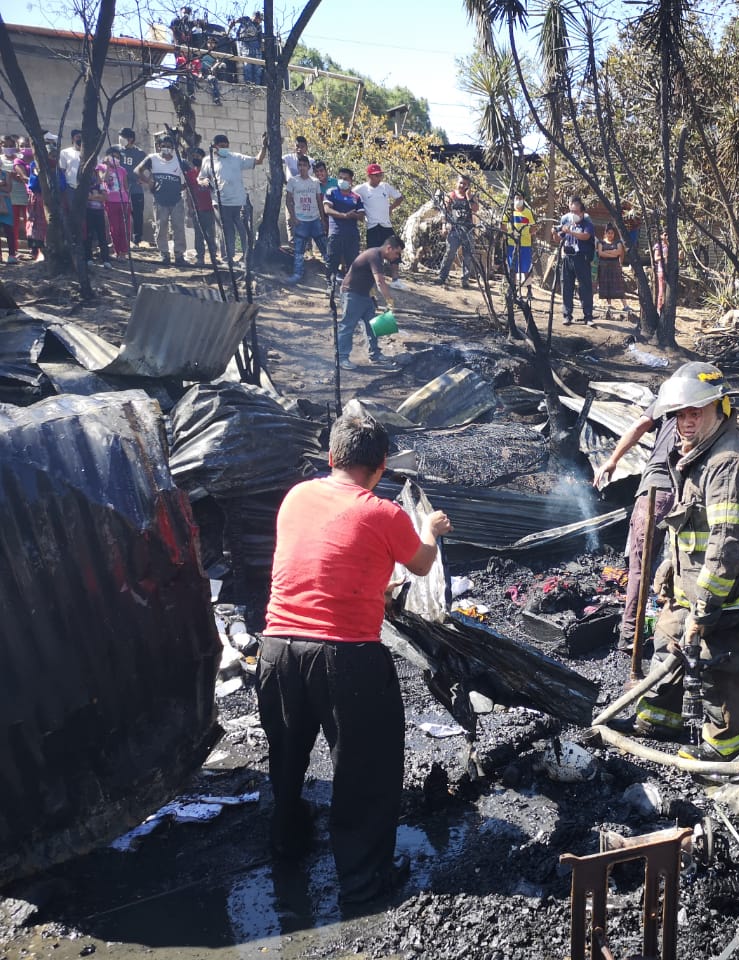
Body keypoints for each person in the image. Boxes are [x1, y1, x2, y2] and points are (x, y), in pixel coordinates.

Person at [258, 414, 452, 904]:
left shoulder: (296, 497)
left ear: (331, 458)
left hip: (277, 646)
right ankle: (364, 883)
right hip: (345, 657)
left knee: (285, 756)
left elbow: (323, 562)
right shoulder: (383, 513)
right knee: (365, 769)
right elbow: (423, 565)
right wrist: (430, 528)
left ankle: (286, 844)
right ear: (381, 466)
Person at [624, 362, 739, 762]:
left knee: (715, 663)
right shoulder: (696, 452)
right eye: (680, 415)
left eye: (695, 413)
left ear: (720, 408)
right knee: (668, 639)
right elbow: (691, 521)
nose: (686, 423)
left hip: (725, 590)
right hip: (691, 581)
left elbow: (729, 542)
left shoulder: (728, 461)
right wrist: (669, 568)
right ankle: (659, 718)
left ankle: (726, 747)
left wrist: (706, 604)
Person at [593, 404, 681, 655]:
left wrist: (612, 460)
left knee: (640, 569)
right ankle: (671, 631)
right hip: (682, 493)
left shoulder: (668, 396)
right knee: (679, 566)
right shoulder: (707, 404)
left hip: (656, 493)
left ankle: (631, 634)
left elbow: (639, 426)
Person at [199, 132, 267, 266]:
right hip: (221, 203)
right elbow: (200, 178)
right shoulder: (208, 161)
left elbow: (257, 160)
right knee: (226, 233)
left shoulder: (236, 158)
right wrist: (204, 181)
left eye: (226, 145)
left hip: (240, 203)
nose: (225, 148)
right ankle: (228, 260)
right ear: (215, 147)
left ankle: (248, 259)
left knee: (245, 232)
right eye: (221, 146)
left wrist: (264, 147)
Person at [338, 234, 402, 370]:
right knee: (347, 326)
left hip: (365, 295)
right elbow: (379, 281)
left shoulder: (378, 257)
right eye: (397, 253)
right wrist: (389, 301)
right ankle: (342, 358)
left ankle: (375, 354)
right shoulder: (374, 255)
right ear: (389, 248)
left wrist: (372, 295)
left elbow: (368, 277)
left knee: (373, 325)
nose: (397, 257)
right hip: (352, 293)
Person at [135, 135, 187, 267]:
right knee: (161, 227)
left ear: (174, 148)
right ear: (159, 146)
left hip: (176, 199)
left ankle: (179, 255)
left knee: (179, 228)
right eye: (164, 146)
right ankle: (164, 254)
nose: (166, 149)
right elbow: (138, 170)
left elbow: (192, 176)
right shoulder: (152, 159)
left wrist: (182, 187)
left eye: (169, 146)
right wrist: (149, 181)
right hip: (159, 199)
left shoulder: (180, 160)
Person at [285, 154, 324, 283]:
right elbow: (288, 200)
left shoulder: (315, 182)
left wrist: (322, 219)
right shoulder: (293, 181)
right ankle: (297, 274)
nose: (302, 168)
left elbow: (319, 201)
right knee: (299, 250)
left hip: (314, 220)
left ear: (309, 167)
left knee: (324, 248)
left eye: (304, 165)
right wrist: (293, 217)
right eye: (299, 165)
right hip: (301, 221)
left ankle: (332, 273)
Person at [558, 195, 596, 326]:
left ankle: (588, 316)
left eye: (575, 212)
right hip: (568, 257)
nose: (573, 214)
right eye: (571, 211)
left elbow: (586, 236)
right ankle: (567, 315)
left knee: (585, 287)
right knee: (566, 287)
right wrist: (555, 232)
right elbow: (559, 238)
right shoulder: (566, 222)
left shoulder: (587, 224)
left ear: (582, 212)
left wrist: (571, 232)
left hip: (582, 258)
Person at [436, 174, 478, 288]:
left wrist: (469, 198)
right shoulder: (451, 195)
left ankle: (465, 280)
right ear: (457, 182)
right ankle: (442, 276)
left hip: (468, 230)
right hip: (454, 229)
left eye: (465, 184)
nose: (462, 185)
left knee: (468, 256)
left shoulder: (472, 197)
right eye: (461, 183)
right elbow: (444, 212)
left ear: (468, 186)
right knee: (450, 252)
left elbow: (475, 209)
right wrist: (444, 225)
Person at [324, 167, 365, 283]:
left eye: (345, 179)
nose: (342, 180)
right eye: (340, 178)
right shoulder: (331, 192)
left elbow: (361, 215)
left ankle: (350, 286)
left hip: (352, 234)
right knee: (332, 261)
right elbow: (327, 210)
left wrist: (354, 215)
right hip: (335, 233)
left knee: (352, 262)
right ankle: (330, 285)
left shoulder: (356, 197)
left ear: (351, 181)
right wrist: (345, 215)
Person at [355, 164, 403, 251]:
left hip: (386, 225)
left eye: (380, 175)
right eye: (376, 175)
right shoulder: (361, 188)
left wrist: (391, 208)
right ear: (369, 176)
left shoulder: (385, 186)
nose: (379, 178)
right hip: (372, 227)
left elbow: (399, 197)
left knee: (395, 252)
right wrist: (360, 211)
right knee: (374, 255)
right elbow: (349, 196)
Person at [183, 147, 217, 266]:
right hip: (197, 209)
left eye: (198, 156)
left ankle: (213, 257)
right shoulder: (190, 174)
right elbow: (188, 192)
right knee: (198, 235)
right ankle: (201, 257)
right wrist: (190, 208)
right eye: (194, 157)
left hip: (209, 207)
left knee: (211, 234)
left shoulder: (210, 172)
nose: (196, 158)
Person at [98, 146, 131, 258]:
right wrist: (107, 166)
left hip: (124, 201)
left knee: (125, 227)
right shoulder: (101, 167)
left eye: (117, 157)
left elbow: (126, 186)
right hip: (110, 201)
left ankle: (124, 251)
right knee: (114, 227)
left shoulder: (122, 170)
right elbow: (104, 180)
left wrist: (129, 201)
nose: (115, 159)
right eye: (113, 157)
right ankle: (117, 251)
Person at [118, 128, 147, 246]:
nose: (120, 139)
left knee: (137, 214)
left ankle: (137, 240)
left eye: (123, 137)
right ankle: (121, 239)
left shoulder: (140, 154)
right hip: (119, 190)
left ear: (130, 139)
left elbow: (148, 170)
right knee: (120, 214)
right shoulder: (116, 151)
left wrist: (144, 179)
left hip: (135, 189)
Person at [596, 222, 628, 320]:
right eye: (608, 233)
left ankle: (625, 305)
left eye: (612, 233)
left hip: (615, 266)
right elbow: (600, 253)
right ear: (605, 233)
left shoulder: (617, 242)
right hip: (604, 266)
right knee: (606, 285)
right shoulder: (601, 242)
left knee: (619, 285)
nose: (610, 235)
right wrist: (612, 254)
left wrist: (607, 252)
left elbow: (619, 252)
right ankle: (609, 304)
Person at [82, 165, 112, 266]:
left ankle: (106, 260)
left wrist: (94, 196)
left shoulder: (101, 185)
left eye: (94, 173)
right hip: (88, 212)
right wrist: (97, 196)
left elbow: (105, 197)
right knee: (89, 235)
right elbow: (87, 197)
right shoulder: (85, 186)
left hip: (99, 212)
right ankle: (88, 258)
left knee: (102, 236)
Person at [506, 190, 533, 286]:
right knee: (512, 267)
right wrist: (510, 233)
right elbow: (503, 226)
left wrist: (529, 232)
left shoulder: (528, 212)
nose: (518, 200)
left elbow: (533, 227)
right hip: (512, 243)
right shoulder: (509, 212)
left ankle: (528, 289)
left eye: (520, 198)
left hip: (525, 244)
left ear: (524, 199)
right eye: (516, 198)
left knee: (526, 267)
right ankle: (512, 288)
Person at [233, 11, 263, 84]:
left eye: (260, 19)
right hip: (244, 46)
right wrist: (228, 31)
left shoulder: (259, 27)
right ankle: (249, 85)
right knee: (247, 67)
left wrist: (261, 46)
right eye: (258, 18)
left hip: (256, 49)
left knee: (257, 68)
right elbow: (234, 21)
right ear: (254, 17)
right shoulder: (246, 20)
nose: (259, 21)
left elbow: (260, 38)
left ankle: (257, 85)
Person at [651, 230, 669, 312]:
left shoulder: (670, 246)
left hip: (670, 270)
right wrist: (664, 256)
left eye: (667, 235)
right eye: (665, 234)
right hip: (661, 269)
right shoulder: (658, 246)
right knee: (661, 290)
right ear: (661, 235)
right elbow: (656, 258)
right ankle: (659, 308)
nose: (666, 236)